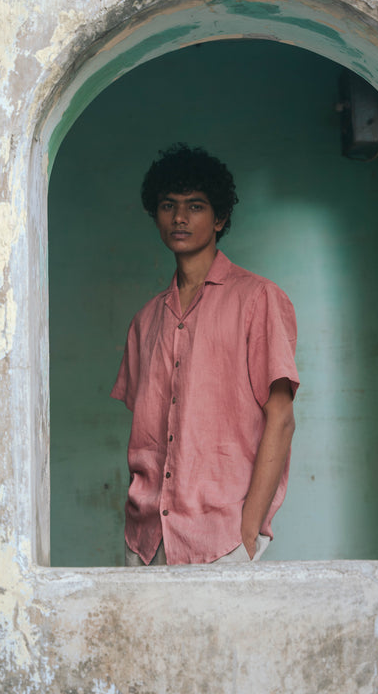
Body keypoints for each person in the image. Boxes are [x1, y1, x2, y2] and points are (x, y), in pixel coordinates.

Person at [111, 144, 299, 566]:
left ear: (219, 218)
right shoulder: (144, 322)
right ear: (156, 216)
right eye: (168, 205)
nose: (179, 217)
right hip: (146, 541)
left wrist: (248, 528)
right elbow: (148, 436)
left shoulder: (258, 300)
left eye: (195, 206)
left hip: (224, 538)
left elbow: (282, 418)